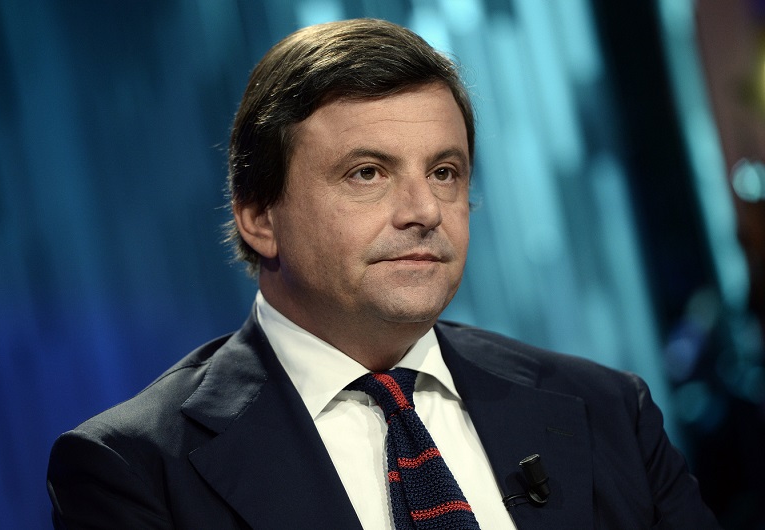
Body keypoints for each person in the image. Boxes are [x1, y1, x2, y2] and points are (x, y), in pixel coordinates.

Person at [47, 18, 720, 529]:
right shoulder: (133, 470)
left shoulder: (610, 411)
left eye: (445, 172)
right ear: (258, 216)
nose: (424, 210)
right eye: (367, 173)